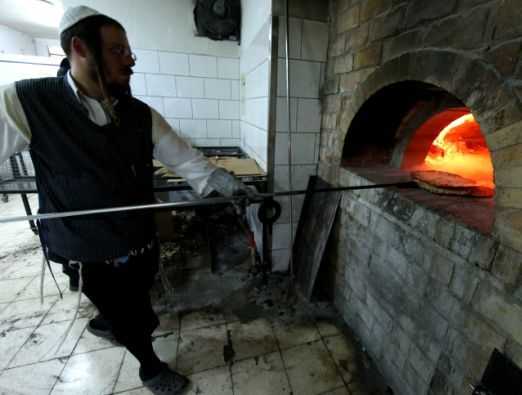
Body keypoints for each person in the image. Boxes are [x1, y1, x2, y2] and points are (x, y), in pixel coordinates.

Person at [0, 6, 252, 395]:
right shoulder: (27, 101)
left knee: (134, 296)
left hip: (136, 235)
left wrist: (230, 186)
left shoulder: (137, 114)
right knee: (133, 316)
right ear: (80, 48)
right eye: (118, 50)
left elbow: (186, 160)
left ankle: (108, 321)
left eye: (128, 50)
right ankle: (149, 368)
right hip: (84, 243)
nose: (130, 59)